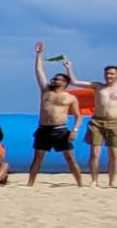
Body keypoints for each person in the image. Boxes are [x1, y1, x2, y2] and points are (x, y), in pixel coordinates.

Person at [28, 43, 84, 186]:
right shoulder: (46, 90)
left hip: (60, 130)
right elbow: (39, 71)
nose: (53, 80)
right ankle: (30, 184)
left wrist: (75, 130)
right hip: (43, 129)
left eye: (57, 79)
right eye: (53, 78)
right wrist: (39, 54)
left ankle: (80, 184)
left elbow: (79, 117)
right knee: (38, 157)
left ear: (65, 82)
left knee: (70, 158)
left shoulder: (70, 97)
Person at [65, 60, 117, 188]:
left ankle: (112, 181)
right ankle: (94, 180)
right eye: (106, 74)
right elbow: (74, 82)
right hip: (97, 122)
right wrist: (69, 68)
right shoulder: (98, 86)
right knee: (94, 153)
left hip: (114, 122)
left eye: (111, 74)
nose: (108, 76)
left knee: (114, 154)